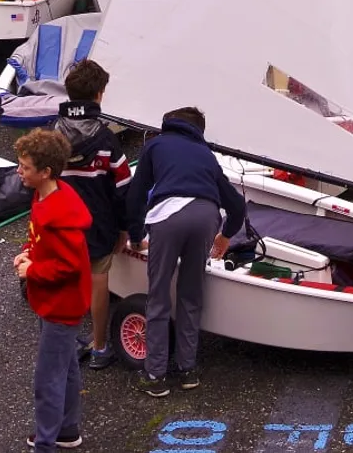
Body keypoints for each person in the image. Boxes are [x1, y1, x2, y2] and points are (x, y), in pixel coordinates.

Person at [124, 107, 246, 398]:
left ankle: (155, 375)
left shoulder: (155, 145)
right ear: (198, 131)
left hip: (168, 217)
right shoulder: (207, 156)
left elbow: (136, 194)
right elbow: (237, 206)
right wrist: (226, 236)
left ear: (169, 124)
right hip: (206, 217)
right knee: (191, 296)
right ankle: (187, 370)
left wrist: (135, 236)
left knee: (159, 296)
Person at [13, 127, 91, 453]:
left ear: (45, 172)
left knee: (48, 379)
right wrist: (28, 250)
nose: (19, 171)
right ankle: (66, 430)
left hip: (62, 305)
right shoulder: (44, 194)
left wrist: (33, 270)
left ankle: (45, 444)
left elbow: (68, 265)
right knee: (67, 366)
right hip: (53, 302)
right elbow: (39, 236)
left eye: (25, 167)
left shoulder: (60, 212)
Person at [54, 60, 131, 369]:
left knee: (66, 282)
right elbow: (123, 187)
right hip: (98, 225)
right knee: (99, 281)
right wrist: (126, 229)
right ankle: (100, 347)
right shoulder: (105, 140)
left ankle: (64, 342)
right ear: (99, 95)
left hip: (61, 223)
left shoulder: (53, 134)